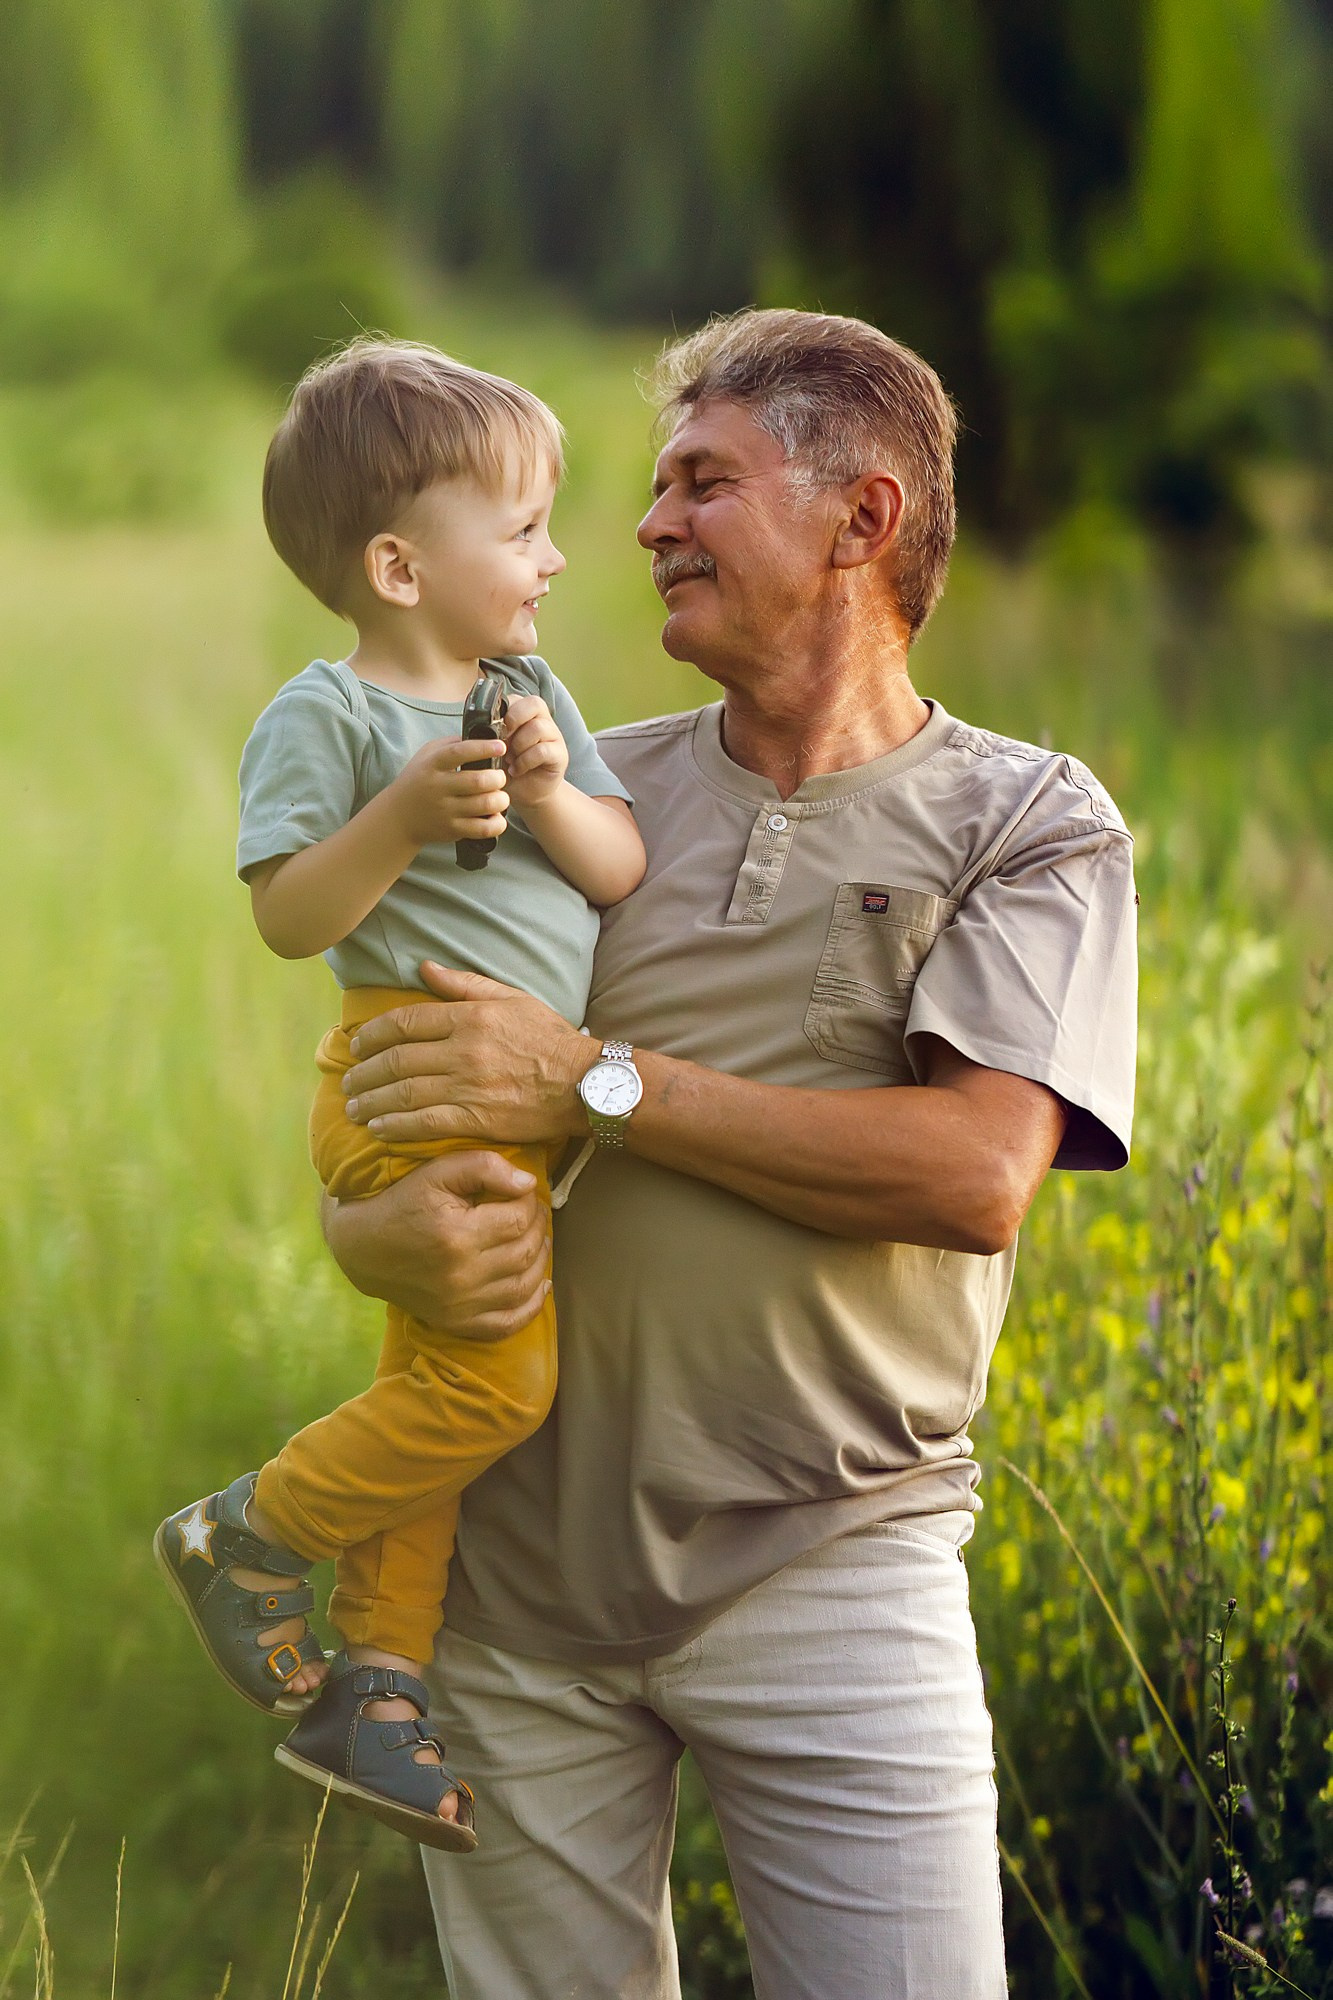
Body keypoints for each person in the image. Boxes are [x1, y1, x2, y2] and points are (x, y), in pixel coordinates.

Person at [323, 307, 1139, 1999]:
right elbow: (401, 1095)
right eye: (650, 487)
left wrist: (598, 1086)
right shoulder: (579, 807)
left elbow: (974, 1174)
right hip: (516, 1595)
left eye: (702, 481)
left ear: (864, 519)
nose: (643, 527)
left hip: (832, 1563)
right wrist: (370, 1236)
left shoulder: (1025, 820)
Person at [153, 338, 645, 1852]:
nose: (555, 559)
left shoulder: (524, 690)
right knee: (495, 1389)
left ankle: (375, 1684)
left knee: (434, 1399)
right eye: (522, 530)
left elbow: (617, 871)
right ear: (397, 563)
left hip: (512, 1100)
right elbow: (291, 914)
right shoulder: (335, 716)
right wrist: (399, 816)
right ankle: (246, 1535)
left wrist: (553, 784)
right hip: (410, 1080)